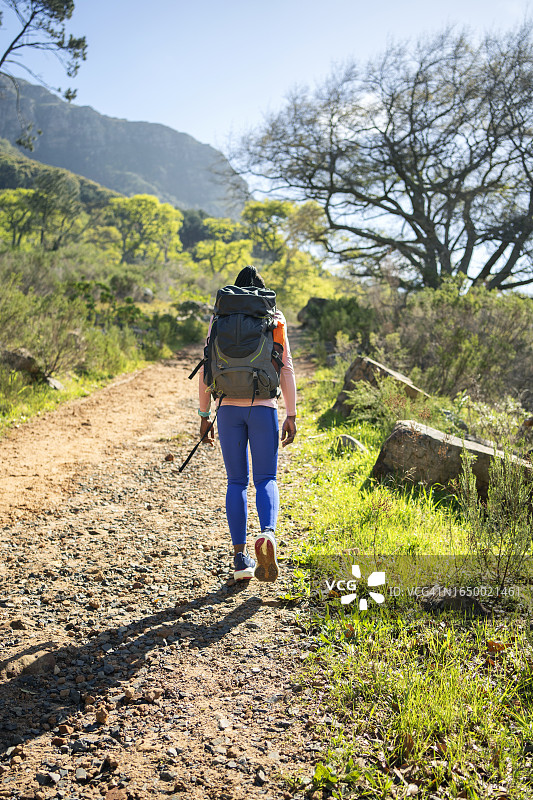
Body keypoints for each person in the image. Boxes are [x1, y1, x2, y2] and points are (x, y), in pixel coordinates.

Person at [198, 265, 297, 582]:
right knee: (266, 477)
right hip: (263, 406)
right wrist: (291, 414)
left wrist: (203, 417)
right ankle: (267, 533)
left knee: (236, 482)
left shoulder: (219, 319)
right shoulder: (274, 317)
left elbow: (206, 367)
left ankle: (240, 559)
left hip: (227, 408)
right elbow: (287, 369)